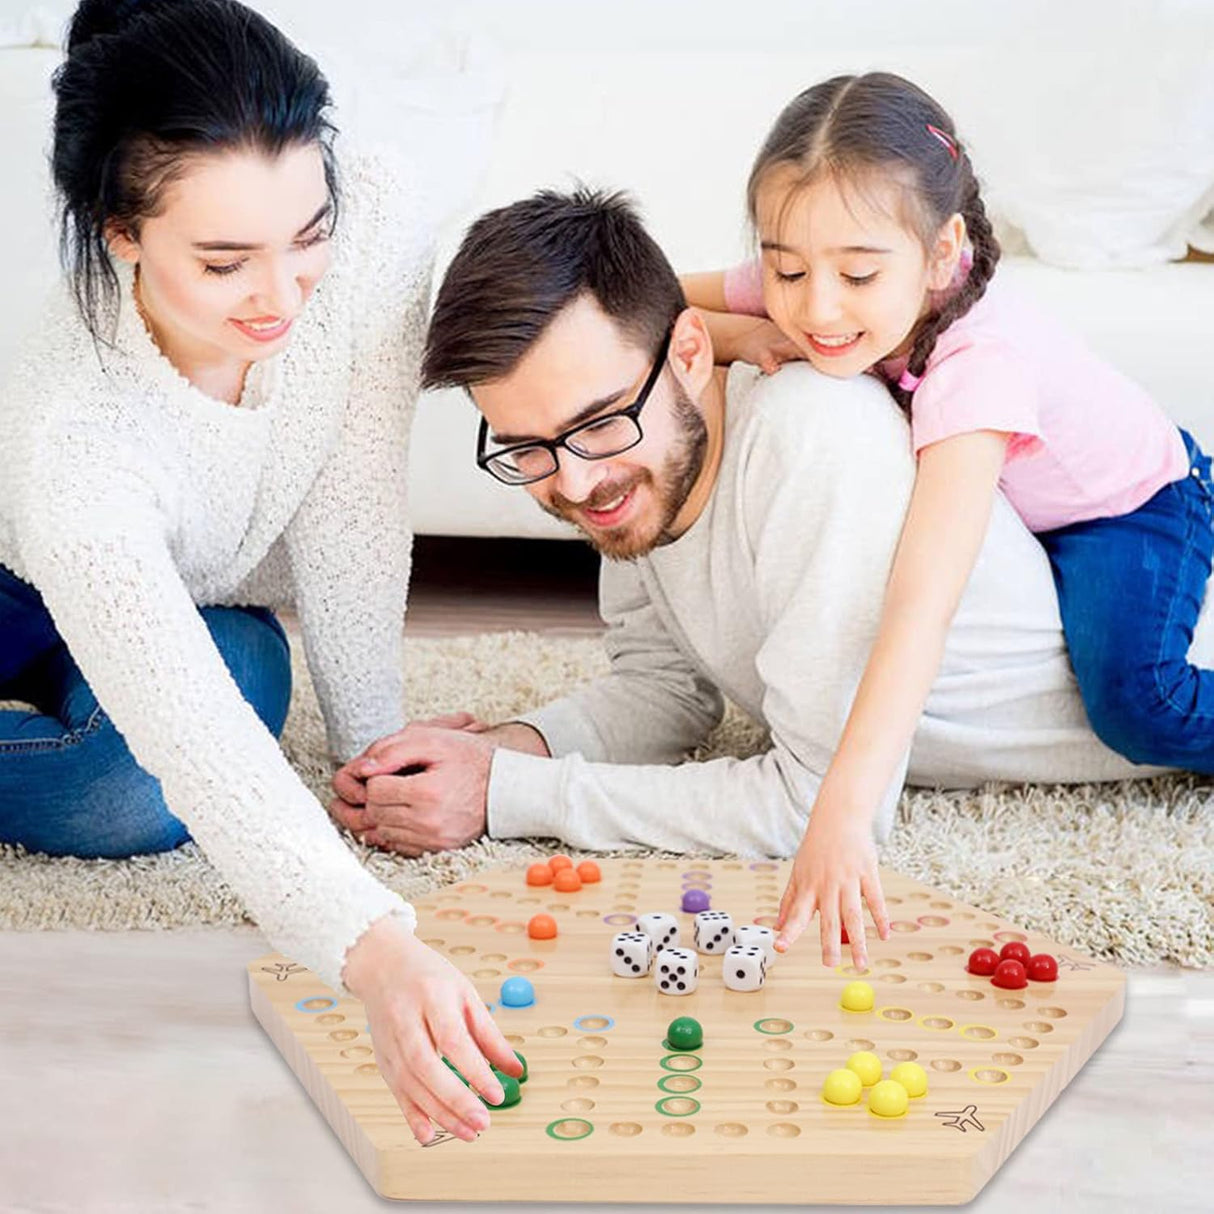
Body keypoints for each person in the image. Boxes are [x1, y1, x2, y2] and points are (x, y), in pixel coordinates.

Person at [328, 186, 1201, 977]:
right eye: (526, 447)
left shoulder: (810, 439)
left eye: (596, 427)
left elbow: (817, 804)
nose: (574, 485)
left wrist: (508, 798)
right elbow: (665, 690)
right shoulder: (622, 469)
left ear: (690, 351)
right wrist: (501, 750)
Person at [0, 0, 519, 1147]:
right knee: (133, 790)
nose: (282, 295)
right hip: (23, 589)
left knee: (247, 684)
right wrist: (373, 948)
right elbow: (187, 737)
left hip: (194, 589)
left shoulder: (375, 216)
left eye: (305, 236)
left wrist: (371, 754)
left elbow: (351, 497)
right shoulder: (76, 436)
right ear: (119, 232)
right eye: (226, 260)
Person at [678, 71, 1214, 967]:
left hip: (1136, 504)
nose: (816, 309)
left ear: (942, 253)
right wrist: (742, 332)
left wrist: (841, 810)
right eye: (784, 270)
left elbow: (918, 606)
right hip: (1039, 491)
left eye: (855, 274)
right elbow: (645, 300)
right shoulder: (821, 265)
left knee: (1135, 701)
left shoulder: (979, 367)